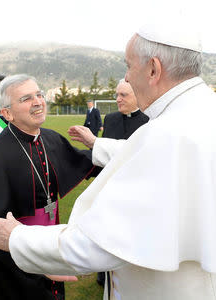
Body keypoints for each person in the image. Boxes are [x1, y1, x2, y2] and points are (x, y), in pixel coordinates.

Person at [0, 24, 216, 300]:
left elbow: (99, 243)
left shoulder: (169, 131)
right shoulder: (205, 107)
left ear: (153, 69)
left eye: (129, 67)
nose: (127, 78)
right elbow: (150, 158)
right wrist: (97, 144)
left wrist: (17, 239)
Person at [0, 74, 95, 300]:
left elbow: (85, 161)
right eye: (26, 98)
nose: (38, 101)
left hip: (49, 242)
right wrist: (33, 259)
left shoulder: (50, 138)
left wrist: (113, 153)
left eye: (39, 94)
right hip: (11, 268)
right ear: (7, 113)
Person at [95, 79, 148, 286]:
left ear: (137, 95)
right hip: (110, 189)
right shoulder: (111, 119)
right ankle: (103, 273)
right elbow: (105, 152)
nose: (118, 99)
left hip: (137, 193)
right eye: (117, 94)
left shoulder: (150, 121)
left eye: (123, 95)